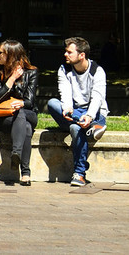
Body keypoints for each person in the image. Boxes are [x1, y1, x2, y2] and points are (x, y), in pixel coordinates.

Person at [48, 36, 108, 187]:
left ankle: (79, 174)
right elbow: (65, 92)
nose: (65, 55)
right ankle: (92, 127)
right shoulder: (64, 69)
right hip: (73, 110)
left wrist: (88, 115)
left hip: (93, 111)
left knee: (75, 128)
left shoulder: (97, 71)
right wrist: (67, 107)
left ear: (82, 55)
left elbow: (97, 98)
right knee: (52, 103)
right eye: (66, 52)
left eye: (69, 52)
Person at [0, 39, 39, 185]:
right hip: (6, 116)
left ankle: (16, 152)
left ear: (11, 55)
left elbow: (30, 102)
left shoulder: (31, 72)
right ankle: (25, 173)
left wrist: (21, 102)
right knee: (26, 128)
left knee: (22, 113)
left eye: (0, 52)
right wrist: (11, 79)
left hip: (28, 114)